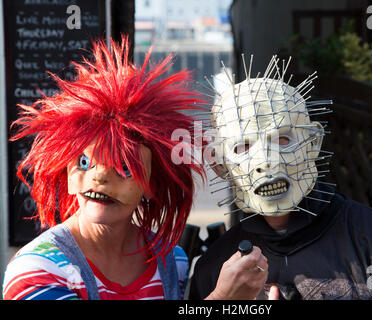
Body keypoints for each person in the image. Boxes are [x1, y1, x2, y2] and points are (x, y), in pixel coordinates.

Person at [2, 38, 267, 300]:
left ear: (152, 184)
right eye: (84, 161)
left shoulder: (172, 261)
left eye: (124, 167)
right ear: (67, 172)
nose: (99, 176)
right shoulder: (37, 270)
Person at [189, 55, 372, 300]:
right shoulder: (216, 272)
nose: (266, 161)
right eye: (242, 147)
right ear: (219, 163)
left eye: (282, 140)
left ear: (313, 142)